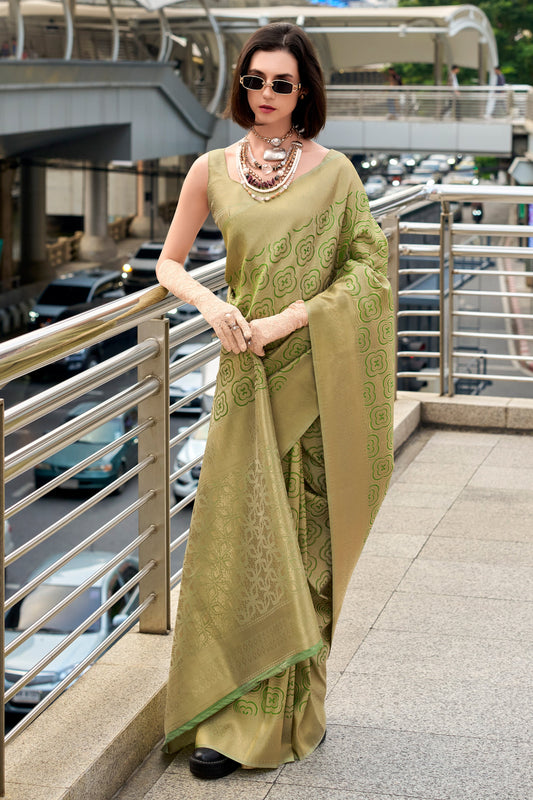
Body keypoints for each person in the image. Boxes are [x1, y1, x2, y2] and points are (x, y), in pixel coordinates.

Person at [156, 22, 394, 780]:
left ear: (304, 91)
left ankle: (292, 715)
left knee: (302, 548)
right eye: (254, 80)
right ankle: (227, 717)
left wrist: (291, 319)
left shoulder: (335, 174)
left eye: (281, 84)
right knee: (238, 543)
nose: (265, 94)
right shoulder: (211, 169)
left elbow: (369, 270)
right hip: (244, 375)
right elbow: (168, 262)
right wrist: (210, 305)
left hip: (313, 377)